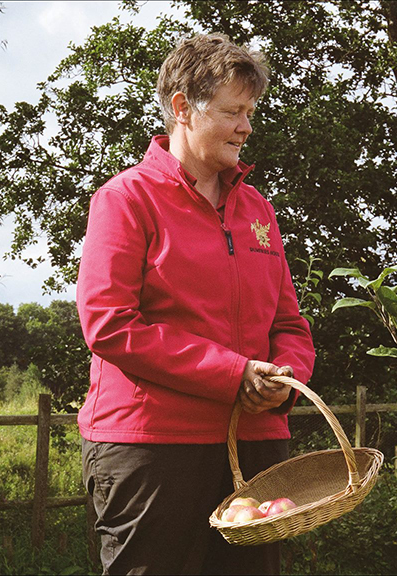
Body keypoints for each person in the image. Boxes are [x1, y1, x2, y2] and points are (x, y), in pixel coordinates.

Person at [76, 33, 315, 575]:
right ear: (183, 108)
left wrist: (284, 379)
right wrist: (235, 374)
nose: (246, 126)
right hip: (153, 446)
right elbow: (110, 324)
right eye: (233, 111)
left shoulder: (258, 210)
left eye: (250, 112)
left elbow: (289, 324)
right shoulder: (125, 199)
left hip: (253, 447)